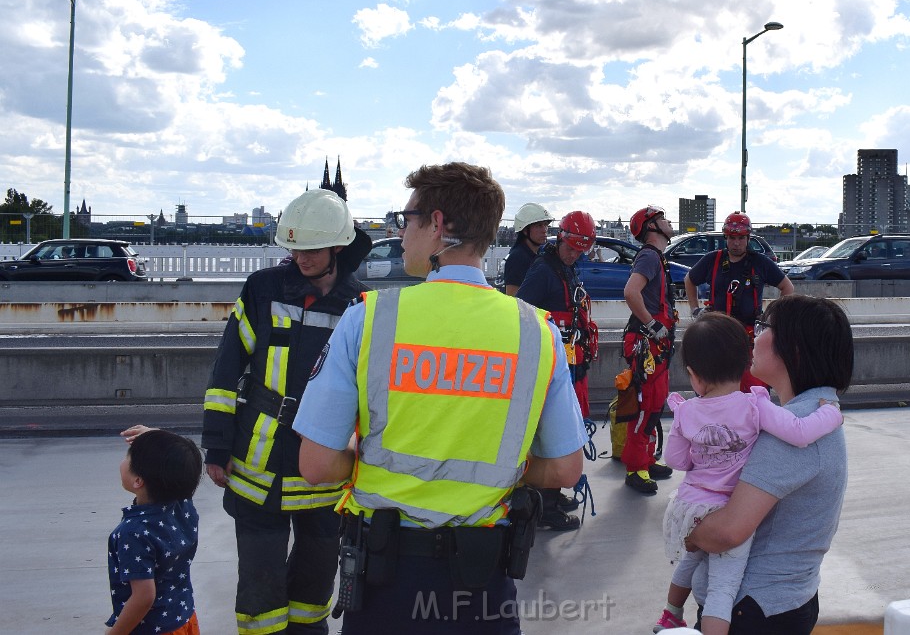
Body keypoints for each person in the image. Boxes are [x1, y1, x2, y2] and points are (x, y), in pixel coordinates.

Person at [293, 162, 588, 634]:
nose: (402, 233)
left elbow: (315, 464)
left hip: (386, 581)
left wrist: (376, 461)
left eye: (406, 220)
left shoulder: (369, 320)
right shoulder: (537, 331)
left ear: (436, 224)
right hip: (484, 581)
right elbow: (564, 469)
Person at [200, 188, 371, 635]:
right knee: (260, 583)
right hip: (258, 458)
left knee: (315, 580)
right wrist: (216, 447)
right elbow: (226, 369)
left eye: (311, 248)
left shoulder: (361, 306)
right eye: (294, 248)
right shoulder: (263, 288)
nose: (300, 257)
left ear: (338, 246)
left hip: (322, 464)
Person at [653, 313, 842, 634]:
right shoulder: (756, 406)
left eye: (767, 326)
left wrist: (692, 532)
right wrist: (831, 414)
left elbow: (677, 462)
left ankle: (671, 612)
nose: (757, 333)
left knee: (692, 562)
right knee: (721, 591)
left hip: (690, 510)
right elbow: (800, 431)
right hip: (731, 533)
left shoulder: (686, 410)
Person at [517, 210, 600, 531]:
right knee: (552, 431)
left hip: (569, 362)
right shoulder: (543, 271)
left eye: (581, 249)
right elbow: (522, 313)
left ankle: (552, 493)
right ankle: (545, 504)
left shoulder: (565, 267)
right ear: (561, 238)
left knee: (565, 426)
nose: (575, 254)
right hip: (551, 366)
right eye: (571, 247)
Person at [105, 426, 203, 635]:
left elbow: (143, 597)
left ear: (138, 480)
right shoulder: (181, 505)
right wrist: (160, 438)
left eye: (127, 457)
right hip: (183, 619)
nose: (123, 461)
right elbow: (181, 467)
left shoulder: (133, 532)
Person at [683, 211, 795, 391]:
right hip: (717, 335)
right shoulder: (713, 260)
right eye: (732, 238)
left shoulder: (760, 263)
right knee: (715, 388)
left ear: (748, 237)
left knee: (752, 389)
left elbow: (787, 288)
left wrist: (773, 319)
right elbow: (689, 279)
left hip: (749, 337)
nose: (736, 243)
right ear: (726, 237)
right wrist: (695, 310)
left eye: (741, 238)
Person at [622, 205, 678, 494]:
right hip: (648, 342)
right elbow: (631, 292)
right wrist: (653, 325)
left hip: (656, 344)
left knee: (655, 404)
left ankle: (645, 459)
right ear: (652, 227)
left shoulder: (656, 258)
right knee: (644, 407)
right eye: (663, 219)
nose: (669, 222)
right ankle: (635, 467)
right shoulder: (648, 256)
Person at [503, 202, 554, 296]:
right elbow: (513, 298)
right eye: (539, 226)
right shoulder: (517, 258)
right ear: (525, 230)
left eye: (546, 225)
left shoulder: (537, 255)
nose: (544, 230)